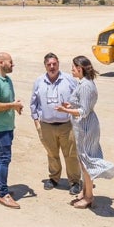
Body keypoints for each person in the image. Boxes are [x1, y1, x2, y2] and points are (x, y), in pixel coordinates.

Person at [57, 55, 114, 209]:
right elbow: (82, 104)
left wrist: (65, 110)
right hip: (84, 126)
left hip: (85, 127)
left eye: (73, 67)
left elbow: (83, 111)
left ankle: (89, 196)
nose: (71, 70)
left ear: (80, 68)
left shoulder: (85, 85)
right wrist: (69, 105)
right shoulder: (84, 83)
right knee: (83, 159)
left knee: (86, 161)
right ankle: (85, 191)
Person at [29, 52, 81, 195]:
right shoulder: (39, 81)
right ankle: (54, 178)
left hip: (66, 125)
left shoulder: (69, 80)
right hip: (46, 126)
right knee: (52, 154)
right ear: (45, 66)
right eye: (49, 64)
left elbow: (78, 99)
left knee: (71, 155)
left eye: (54, 64)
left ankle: (75, 181)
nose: (52, 67)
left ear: (58, 63)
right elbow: (33, 103)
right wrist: (37, 123)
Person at [0, 51, 24, 209]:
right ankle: (3, 194)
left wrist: (15, 106)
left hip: (6, 126)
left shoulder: (6, 80)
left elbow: (7, 101)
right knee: (4, 158)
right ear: (1, 63)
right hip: (0, 129)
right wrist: (12, 106)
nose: (13, 64)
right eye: (10, 62)